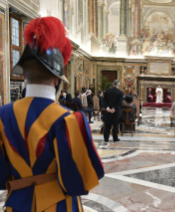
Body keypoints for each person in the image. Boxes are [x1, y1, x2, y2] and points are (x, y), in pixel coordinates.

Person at [0, 17, 104, 211]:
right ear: (57, 79)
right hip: (59, 206)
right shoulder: (69, 119)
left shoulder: (2, 116)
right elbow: (78, 182)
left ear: (24, 75)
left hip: (16, 205)